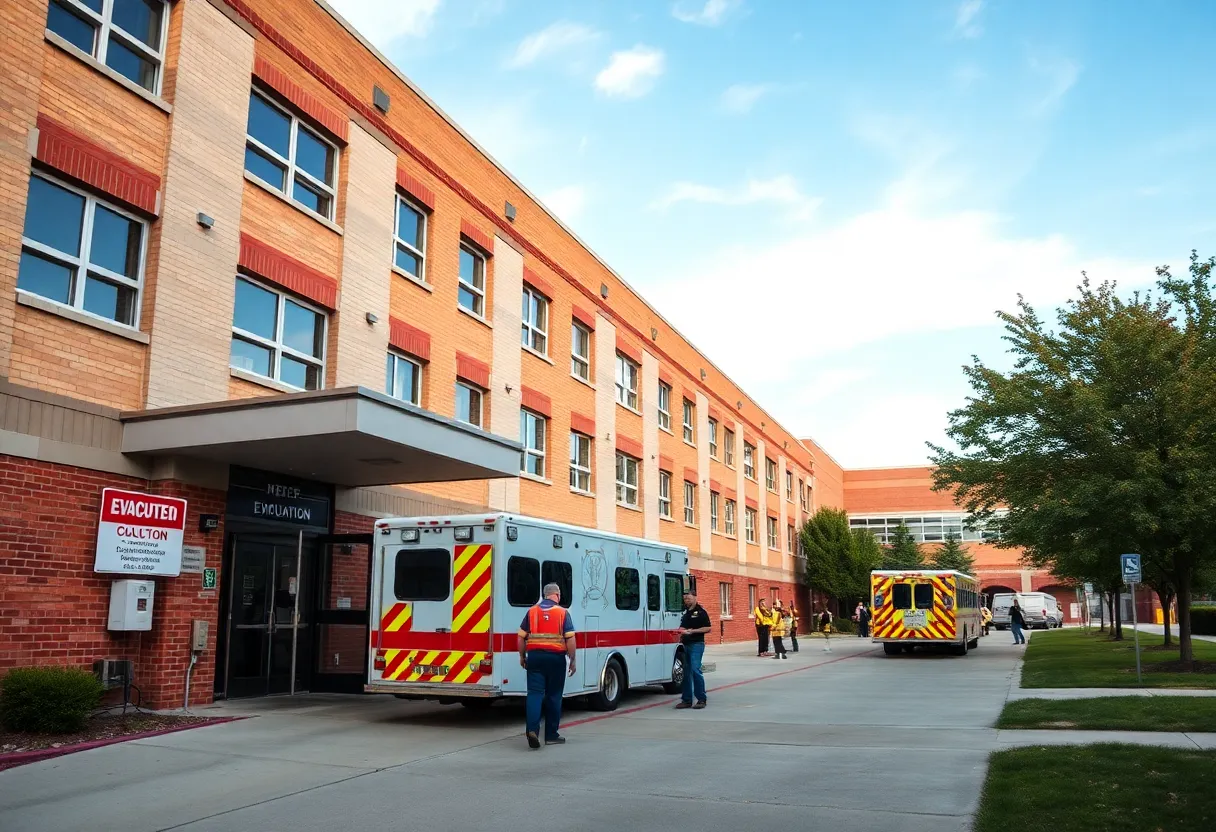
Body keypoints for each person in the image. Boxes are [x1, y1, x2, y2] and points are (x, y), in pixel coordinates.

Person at [517, 583, 576, 749]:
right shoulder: (563, 612)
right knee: (554, 696)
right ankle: (551, 735)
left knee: (534, 694)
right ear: (556, 595)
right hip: (556, 659)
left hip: (535, 658)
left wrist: (522, 656)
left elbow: (521, 637)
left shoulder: (532, 612)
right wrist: (573, 659)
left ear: (545, 595)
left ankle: (532, 730)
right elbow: (570, 639)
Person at [675, 590, 712, 709]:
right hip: (686, 644)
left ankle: (701, 699)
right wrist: (680, 631)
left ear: (695, 597)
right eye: (685, 598)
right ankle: (686, 700)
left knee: (696, 670)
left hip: (697, 644)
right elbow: (682, 626)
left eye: (689, 598)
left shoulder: (701, 612)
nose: (686, 600)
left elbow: (708, 628)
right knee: (686, 672)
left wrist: (692, 631)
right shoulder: (686, 613)